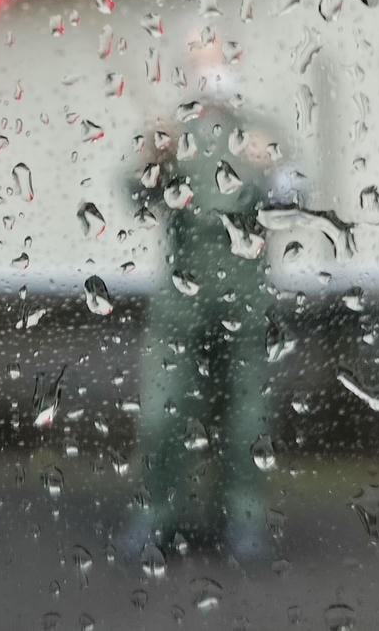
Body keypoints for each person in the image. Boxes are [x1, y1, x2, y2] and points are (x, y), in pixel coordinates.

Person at [126, 102, 303, 559]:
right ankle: (155, 515)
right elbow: (135, 197)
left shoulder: (260, 130)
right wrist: (151, 154)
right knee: (162, 415)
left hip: (246, 309)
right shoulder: (176, 134)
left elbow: (293, 203)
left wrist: (276, 165)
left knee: (247, 422)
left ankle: (242, 518)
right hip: (179, 313)